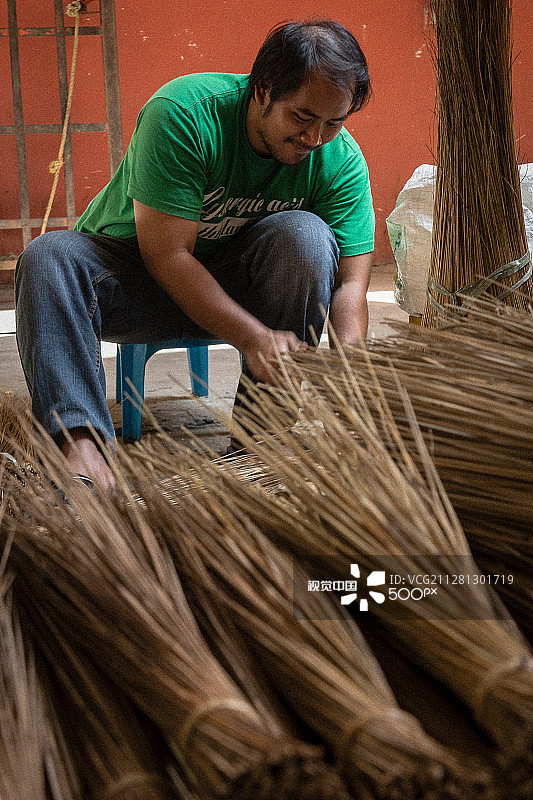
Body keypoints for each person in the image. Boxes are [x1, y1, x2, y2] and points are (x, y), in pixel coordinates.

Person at [15, 18, 374, 489]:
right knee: (48, 257)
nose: (315, 138)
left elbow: (351, 284)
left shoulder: (339, 159)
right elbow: (167, 257)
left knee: (306, 237)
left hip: (238, 290)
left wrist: (353, 379)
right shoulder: (185, 114)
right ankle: (81, 452)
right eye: (302, 118)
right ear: (262, 90)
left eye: (334, 122)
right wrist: (253, 337)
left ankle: (260, 445)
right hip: (135, 284)